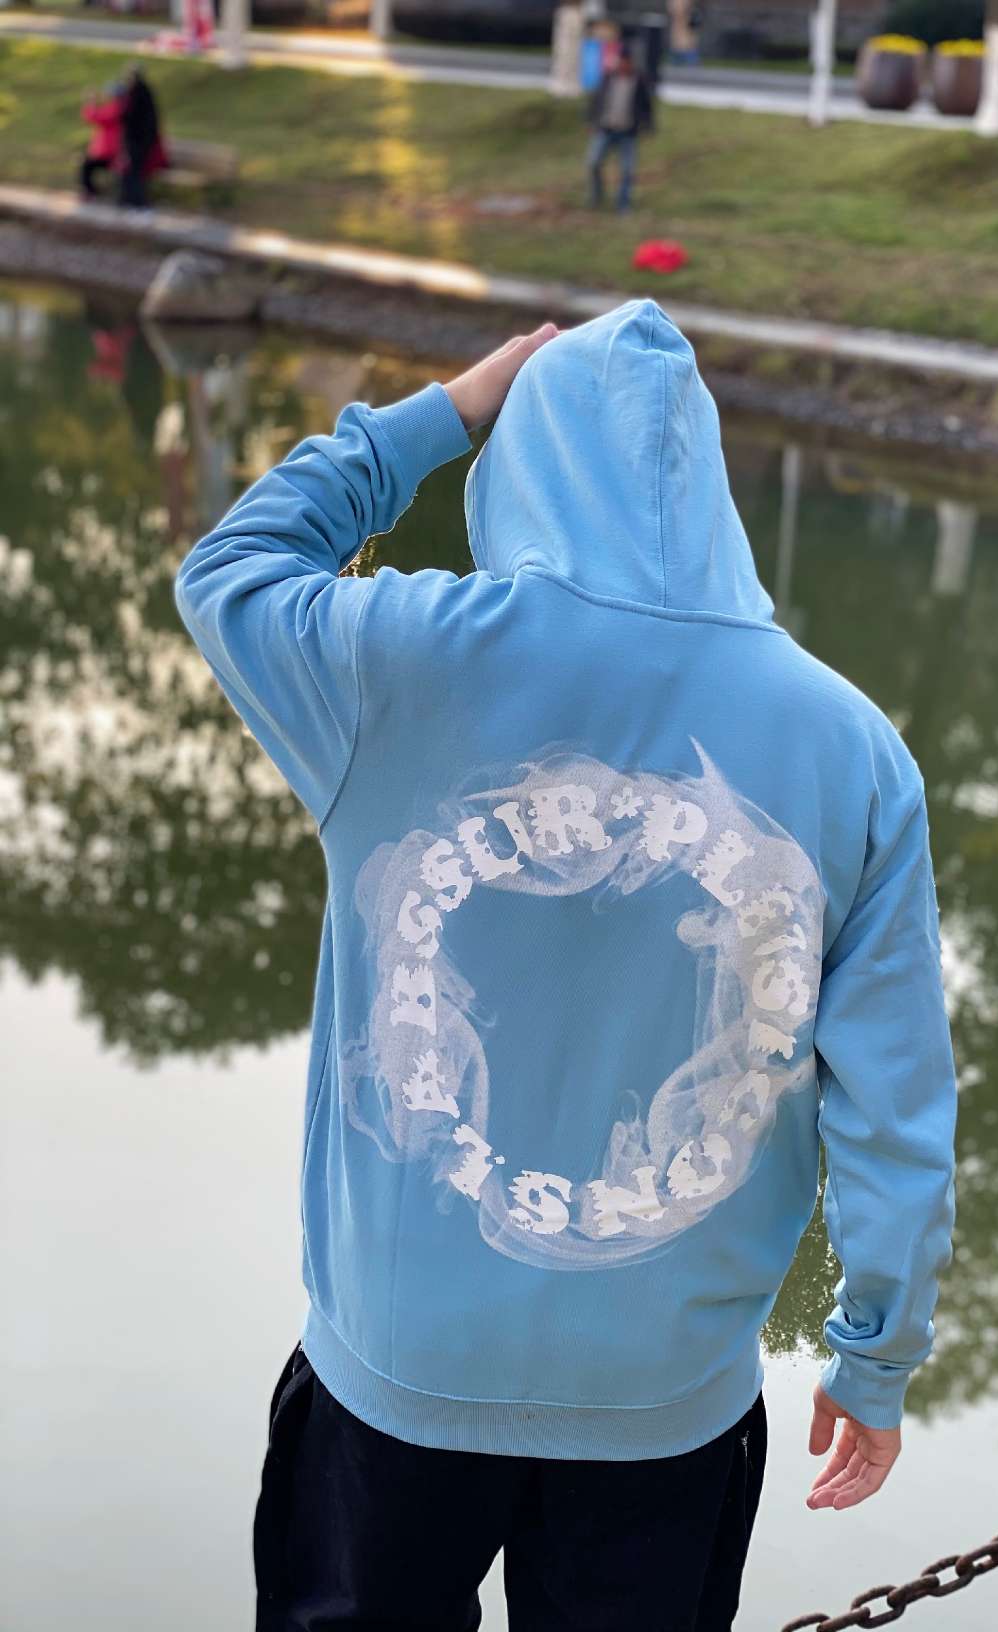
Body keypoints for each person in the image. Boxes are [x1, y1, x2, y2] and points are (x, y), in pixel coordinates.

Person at [173, 299, 958, 1631]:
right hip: (668, 1397)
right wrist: (874, 1355)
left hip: (398, 1369)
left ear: (519, 467)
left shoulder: (395, 662)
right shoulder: (851, 746)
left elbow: (231, 566)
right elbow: (895, 1102)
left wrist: (445, 412)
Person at [586, 42, 654, 212]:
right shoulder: (608, 78)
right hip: (606, 129)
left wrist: (647, 126)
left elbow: (647, 106)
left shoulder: (638, 80)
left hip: (627, 132)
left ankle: (623, 204)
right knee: (594, 163)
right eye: (621, 61)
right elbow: (596, 101)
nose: (623, 65)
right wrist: (591, 121)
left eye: (626, 61)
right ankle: (596, 196)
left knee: (627, 170)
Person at [117, 66, 167, 209]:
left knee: (133, 171)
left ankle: (136, 201)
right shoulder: (142, 92)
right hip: (139, 140)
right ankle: (129, 199)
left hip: (137, 140)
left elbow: (130, 117)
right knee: (131, 170)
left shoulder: (137, 94)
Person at [79, 82, 125, 199]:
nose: (107, 96)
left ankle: (90, 192)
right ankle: (92, 191)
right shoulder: (120, 107)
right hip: (113, 150)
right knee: (88, 164)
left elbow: (93, 116)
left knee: (86, 166)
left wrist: (91, 102)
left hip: (110, 152)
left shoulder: (117, 108)